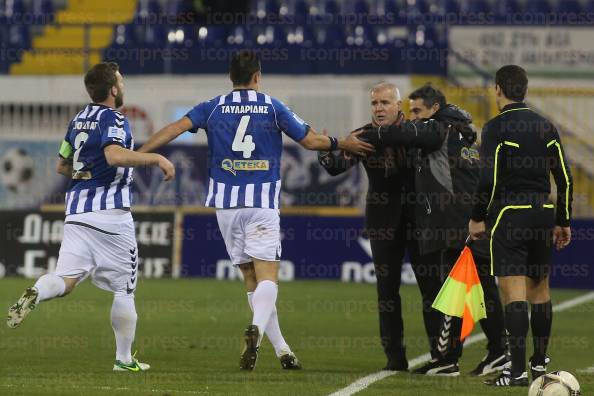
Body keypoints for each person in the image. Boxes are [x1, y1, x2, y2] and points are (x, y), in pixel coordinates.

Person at [136, 50, 373, 371]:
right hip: (261, 203)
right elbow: (311, 142)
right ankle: (256, 331)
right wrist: (341, 143)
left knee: (250, 277)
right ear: (257, 76)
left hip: (226, 208)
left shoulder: (213, 106)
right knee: (268, 278)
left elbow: (174, 128)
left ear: (230, 77)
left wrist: (138, 154)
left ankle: (283, 351)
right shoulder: (273, 106)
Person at [6, 62, 175, 372]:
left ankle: (38, 291)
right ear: (112, 89)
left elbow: (61, 165)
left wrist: (86, 173)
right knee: (125, 288)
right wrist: (157, 157)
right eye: (120, 82)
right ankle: (124, 361)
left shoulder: (77, 121)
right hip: (110, 216)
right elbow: (113, 155)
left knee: (66, 281)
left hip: (77, 213)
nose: (122, 86)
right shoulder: (115, 119)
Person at [359, 84, 507, 377]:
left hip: (458, 222)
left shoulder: (438, 128)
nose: (413, 118)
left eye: (417, 111)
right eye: (411, 112)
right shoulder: (457, 128)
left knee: (468, 290)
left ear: (434, 109)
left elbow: (400, 133)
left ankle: (484, 353)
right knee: (472, 290)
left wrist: (356, 138)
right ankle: (462, 356)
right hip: (465, 219)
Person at [468, 65, 572, 387]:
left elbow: (489, 178)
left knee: (512, 292)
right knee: (540, 290)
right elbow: (565, 179)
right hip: (543, 213)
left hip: (510, 214)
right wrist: (562, 220)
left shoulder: (496, 127)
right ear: (524, 89)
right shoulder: (545, 126)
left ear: (498, 89)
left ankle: (515, 372)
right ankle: (539, 365)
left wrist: (477, 216)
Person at [318, 82, 410, 371]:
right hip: (382, 221)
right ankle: (395, 357)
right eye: (375, 103)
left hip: (421, 220)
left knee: (434, 289)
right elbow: (335, 166)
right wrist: (325, 149)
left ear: (398, 105)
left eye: (385, 102)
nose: (379, 108)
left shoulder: (417, 132)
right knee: (387, 292)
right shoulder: (363, 137)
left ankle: (442, 356)